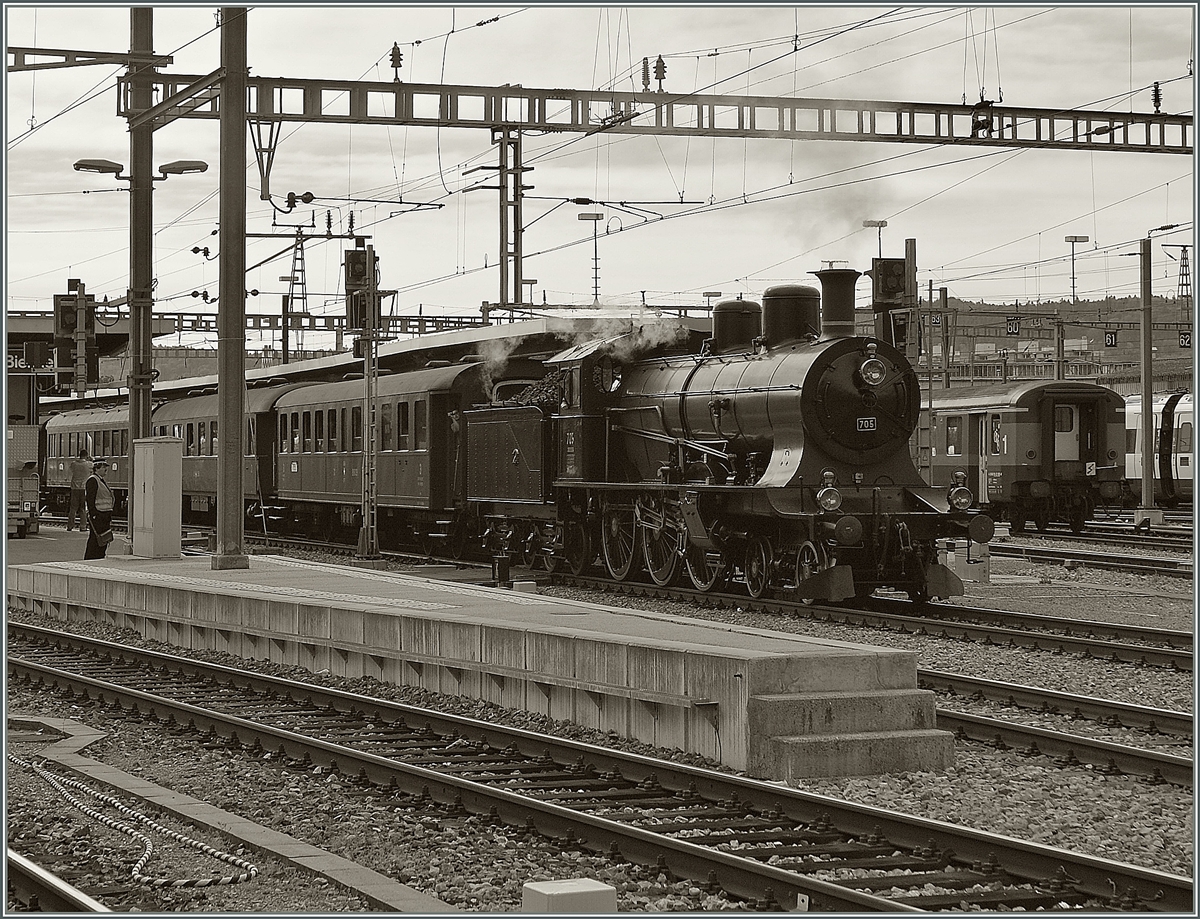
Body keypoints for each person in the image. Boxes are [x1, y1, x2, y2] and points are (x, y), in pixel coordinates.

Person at [84, 458, 115, 560]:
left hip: (104, 515)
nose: (106, 469)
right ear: (97, 468)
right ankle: (91, 558)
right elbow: (90, 499)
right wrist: (94, 515)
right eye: (103, 467)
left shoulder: (100, 480)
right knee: (96, 539)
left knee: (103, 539)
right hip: (98, 515)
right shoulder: (93, 480)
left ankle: (99, 557)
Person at [67, 448, 91, 530]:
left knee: (73, 508)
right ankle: (83, 526)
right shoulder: (89, 464)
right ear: (86, 456)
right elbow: (93, 467)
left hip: (74, 488)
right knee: (83, 508)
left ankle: (70, 526)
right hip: (84, 488)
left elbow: (71, 469)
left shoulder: (74, 464)